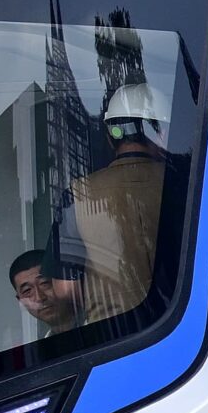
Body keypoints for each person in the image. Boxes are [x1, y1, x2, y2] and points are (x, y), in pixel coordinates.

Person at [65, 77, 174, 321]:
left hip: (111, 337)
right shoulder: (186, 186)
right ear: (162, 133)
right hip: (181, 329)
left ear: (109, 135)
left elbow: (65, 289)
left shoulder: (77, 195)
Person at [9, 249, 84, 334]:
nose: (39, 298)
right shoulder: (44, 346)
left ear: (64, 282)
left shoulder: (98, 321)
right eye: (27, 290)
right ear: (20, 301)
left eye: (45, 283)